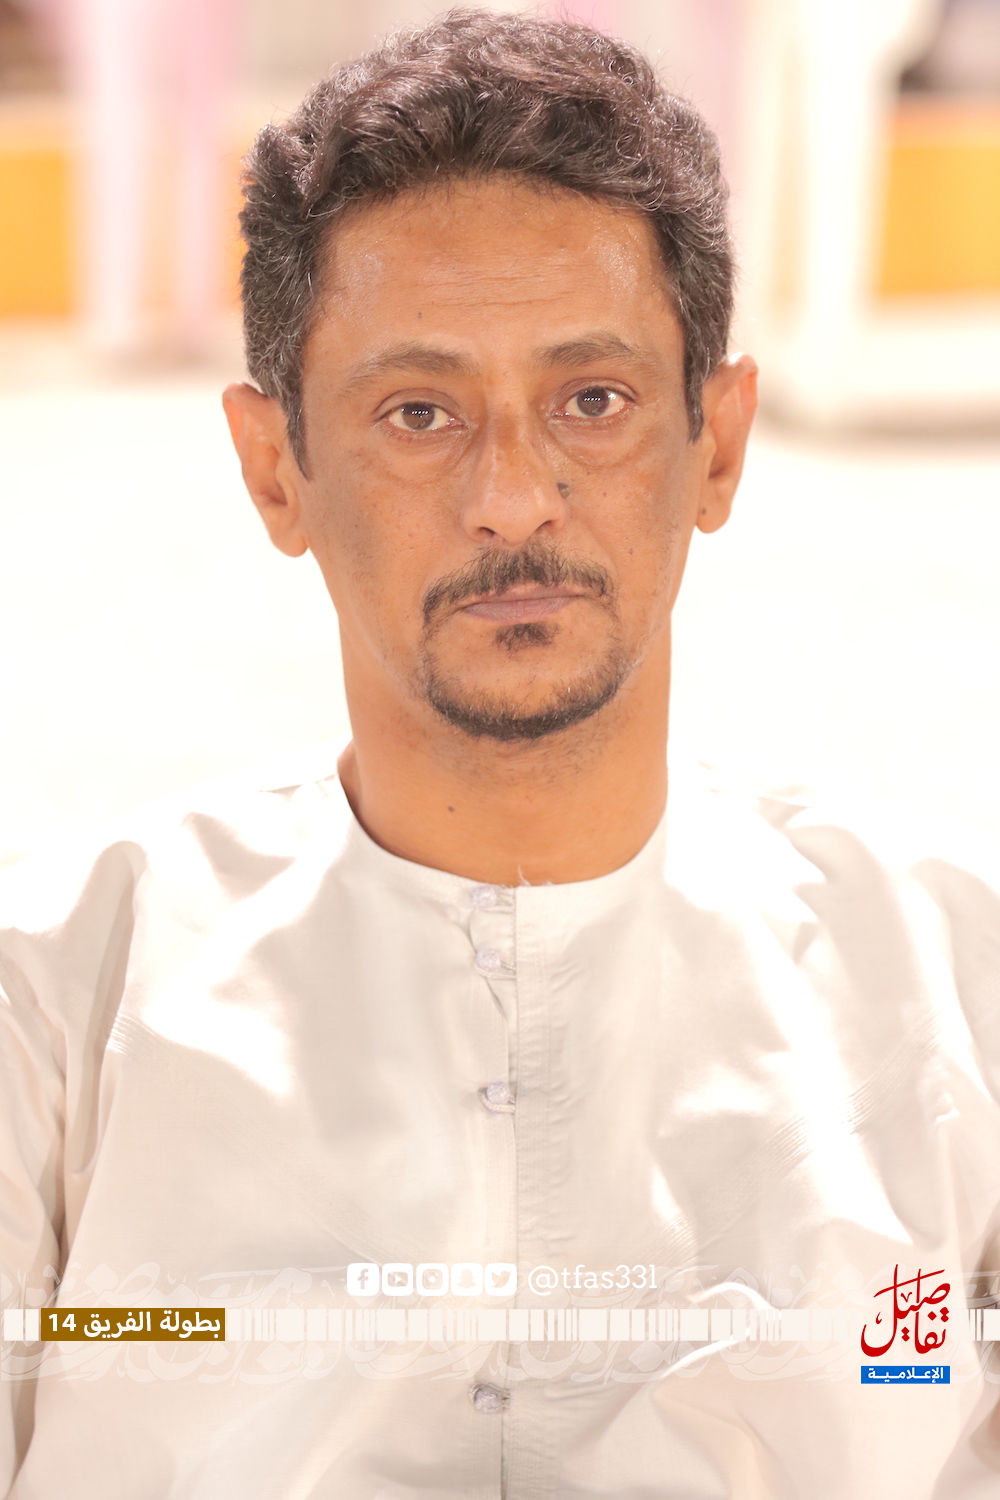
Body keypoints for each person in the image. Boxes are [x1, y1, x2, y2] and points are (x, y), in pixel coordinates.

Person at [2, 10, 999, 1498]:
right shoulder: (61, 1003)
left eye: (593, 402)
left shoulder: (952, 987)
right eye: (419, 413)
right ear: (276, 470)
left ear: (718, 442)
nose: (513, 496)